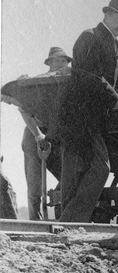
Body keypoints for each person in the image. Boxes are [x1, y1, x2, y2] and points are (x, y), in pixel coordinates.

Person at [54, 0, 118, 223]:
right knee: (94, 169)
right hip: (78, 117)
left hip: (91, 120)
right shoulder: (90, 37)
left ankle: (68, 224)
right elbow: (88, 75)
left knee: (78, 172)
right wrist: (114, 99)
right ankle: (70, 223)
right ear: (106, 15)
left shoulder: (112, 43)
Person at [18, 47, 72, 220]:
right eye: (59, 60)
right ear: (49, 63)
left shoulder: (68, 83)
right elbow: (24, 110)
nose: (63, 64)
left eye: (65, 61)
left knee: (69, 176)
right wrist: (38, 134)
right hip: (34, 133)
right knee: (35, 186)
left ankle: (62, 215)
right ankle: (36, 221)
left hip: (57, 135)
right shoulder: (37, 82)